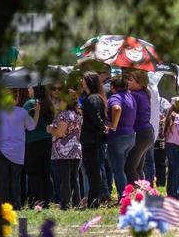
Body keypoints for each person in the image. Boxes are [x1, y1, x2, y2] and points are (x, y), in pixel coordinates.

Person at [0, 89, 40, 208]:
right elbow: (32, 127)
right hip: (18, 150)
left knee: (4, 180)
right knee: (16, 180)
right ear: (16, 99)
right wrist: (37, 111)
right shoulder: (22, 112)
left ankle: (6, 206)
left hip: (2, 149)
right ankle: (16, 205)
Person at [47, 89, 83, 210]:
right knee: (74, 178)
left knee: (65, 178)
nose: (58, 102)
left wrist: (50, 129)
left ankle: (66, 204)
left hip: (64, 150)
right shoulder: (78, 113)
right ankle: (77, 203)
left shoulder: (64, 115)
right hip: (76, 149)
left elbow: (61, 133)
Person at [106, 75, 136, 200]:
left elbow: (116, 108)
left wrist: (113, 124)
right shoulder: (131, 96)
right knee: (122, 168)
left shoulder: (115, 97)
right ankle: (127, 195)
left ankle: (123, 198)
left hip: (118, 137)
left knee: (118, 170)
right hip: (130, 136)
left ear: (113, 87)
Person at [80, 72, 107, 208]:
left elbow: (96, 117)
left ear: (88, 82)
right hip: (94, 139)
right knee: (94, 171)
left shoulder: (91, 99)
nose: (81, 81)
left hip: (91, 139)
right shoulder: (97, 98)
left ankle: (93, 201)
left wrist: (103, 126)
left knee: (93, 172)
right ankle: (93, 200)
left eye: (84, 79)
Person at [23, 85, 54, 208]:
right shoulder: (49, 104)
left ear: (35, 90)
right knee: (46, 173)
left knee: (33, 173)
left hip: (33, 141)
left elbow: (24, 121)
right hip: (47, 140)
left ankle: (36, 201)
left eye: (30, 88)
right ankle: (47, 201)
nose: (28, 90)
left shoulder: (30, 103)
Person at [124, 71, 155, 184]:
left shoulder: (133, 95)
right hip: (147, 133)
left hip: (141, 133)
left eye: (131, 80)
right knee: (137, 168)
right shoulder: (144, 93)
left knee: (129, 168)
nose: (128, 82)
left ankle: (136, 195)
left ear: (139, 83)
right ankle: (143, 193)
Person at [162, 99, 179, 200]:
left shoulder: (170, 116)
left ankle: (171, 192)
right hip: (176, 146)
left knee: (171, 170)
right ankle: (177, 195)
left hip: (169, 145)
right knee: (176, 171)